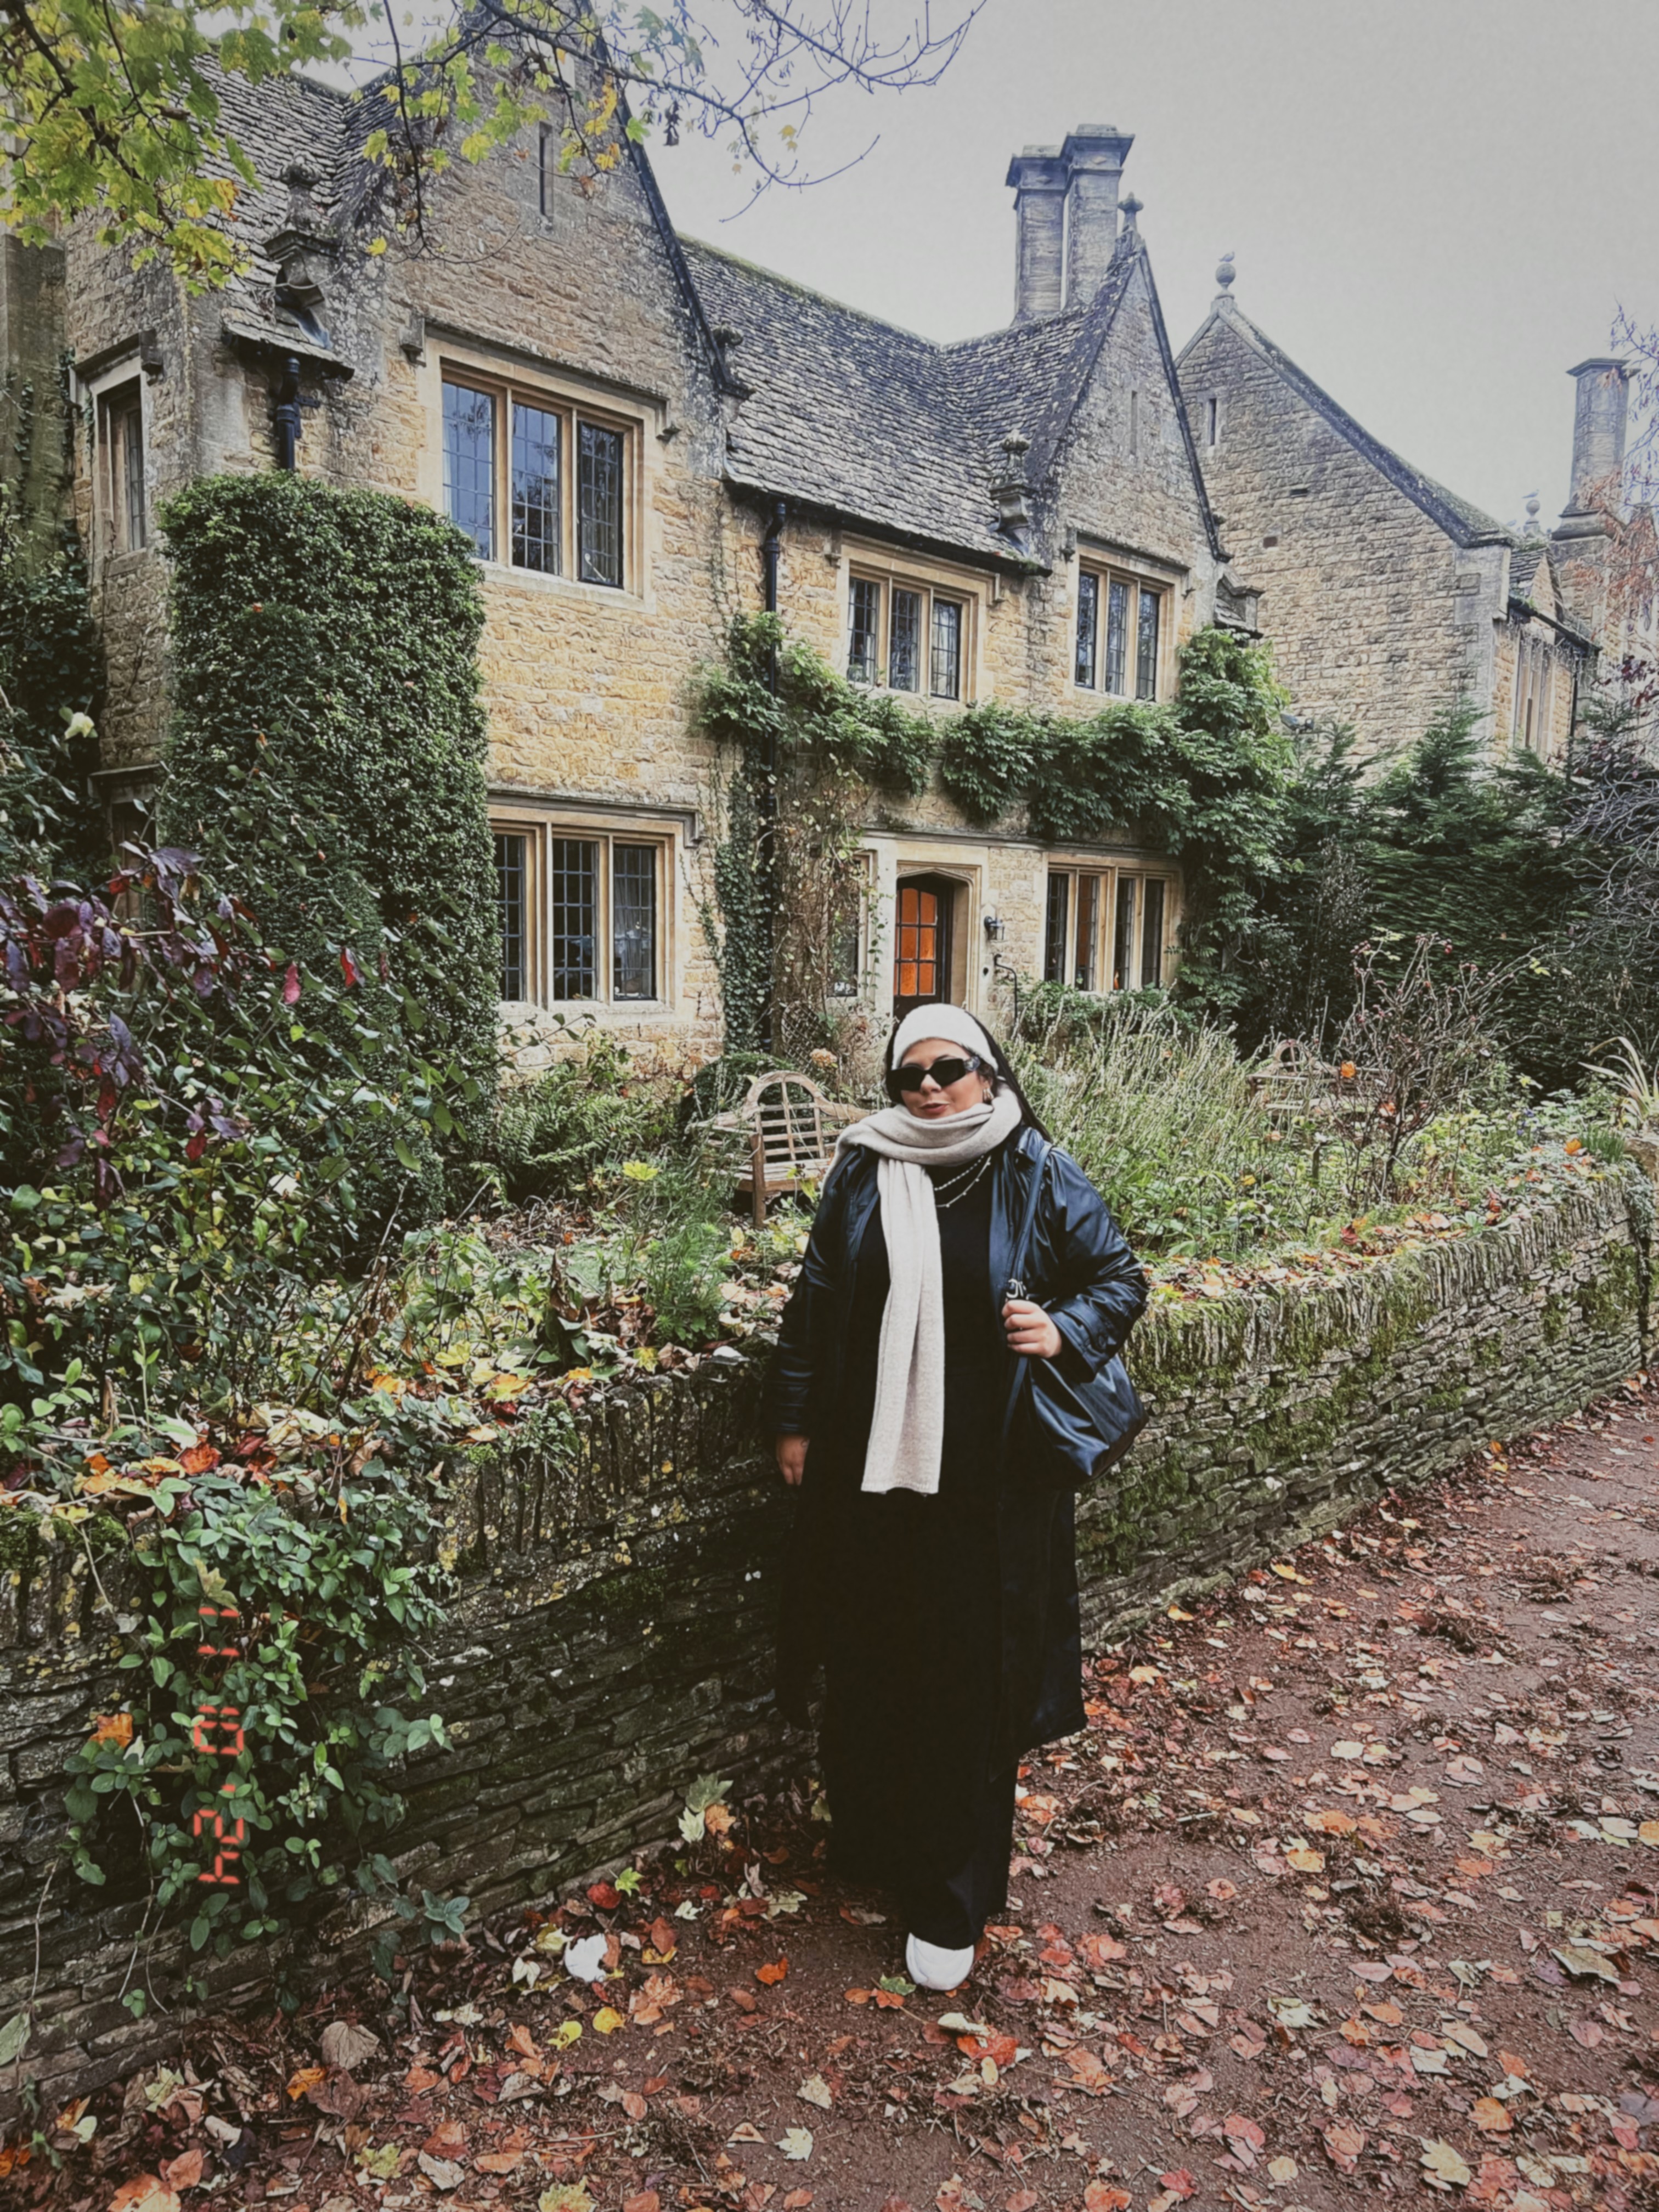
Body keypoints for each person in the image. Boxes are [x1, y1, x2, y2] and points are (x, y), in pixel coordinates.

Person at [763, 1004, 1147, 1991]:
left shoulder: (1034, 1166)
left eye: (950, 1068)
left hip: (992, 1477)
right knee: (876, 1655)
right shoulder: (863, 1166)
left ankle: (952, 1894)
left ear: (988, 1072)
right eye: (909, 1076)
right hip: (871, 1469)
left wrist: (1063, 1330)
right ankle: (880, 1846)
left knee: (971, 1681)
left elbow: (1118, 1276)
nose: (930, 1088)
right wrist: (796, 1424)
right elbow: (815, 1302)